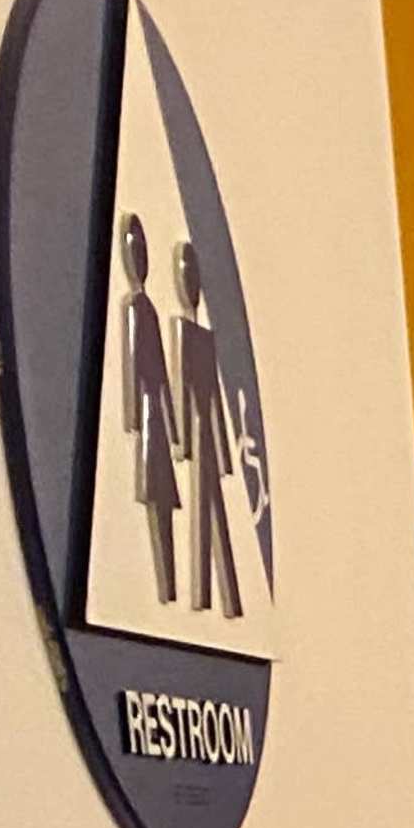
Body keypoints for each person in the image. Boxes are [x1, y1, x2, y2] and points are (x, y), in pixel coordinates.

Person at [176, 232, 242, 625]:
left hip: (208, 446)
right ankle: (202, 591)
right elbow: (181, 390)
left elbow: (214, 397)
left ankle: (223, 593)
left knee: (214, 515)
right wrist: (182, 441)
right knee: (203, 515)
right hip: (199, 443)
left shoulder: (202, 337)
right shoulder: (184, 335)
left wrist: (224, 452)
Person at [116, 209, 177, 607]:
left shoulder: (151, 311)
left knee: (167, 497)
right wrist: (138, 420)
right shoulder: (136, 308)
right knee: (157, 496)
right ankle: (166, 583)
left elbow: (161, 376)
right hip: (149, 421)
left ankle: (170, 584)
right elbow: (138, 366)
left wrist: (174, 429)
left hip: (158, 417)